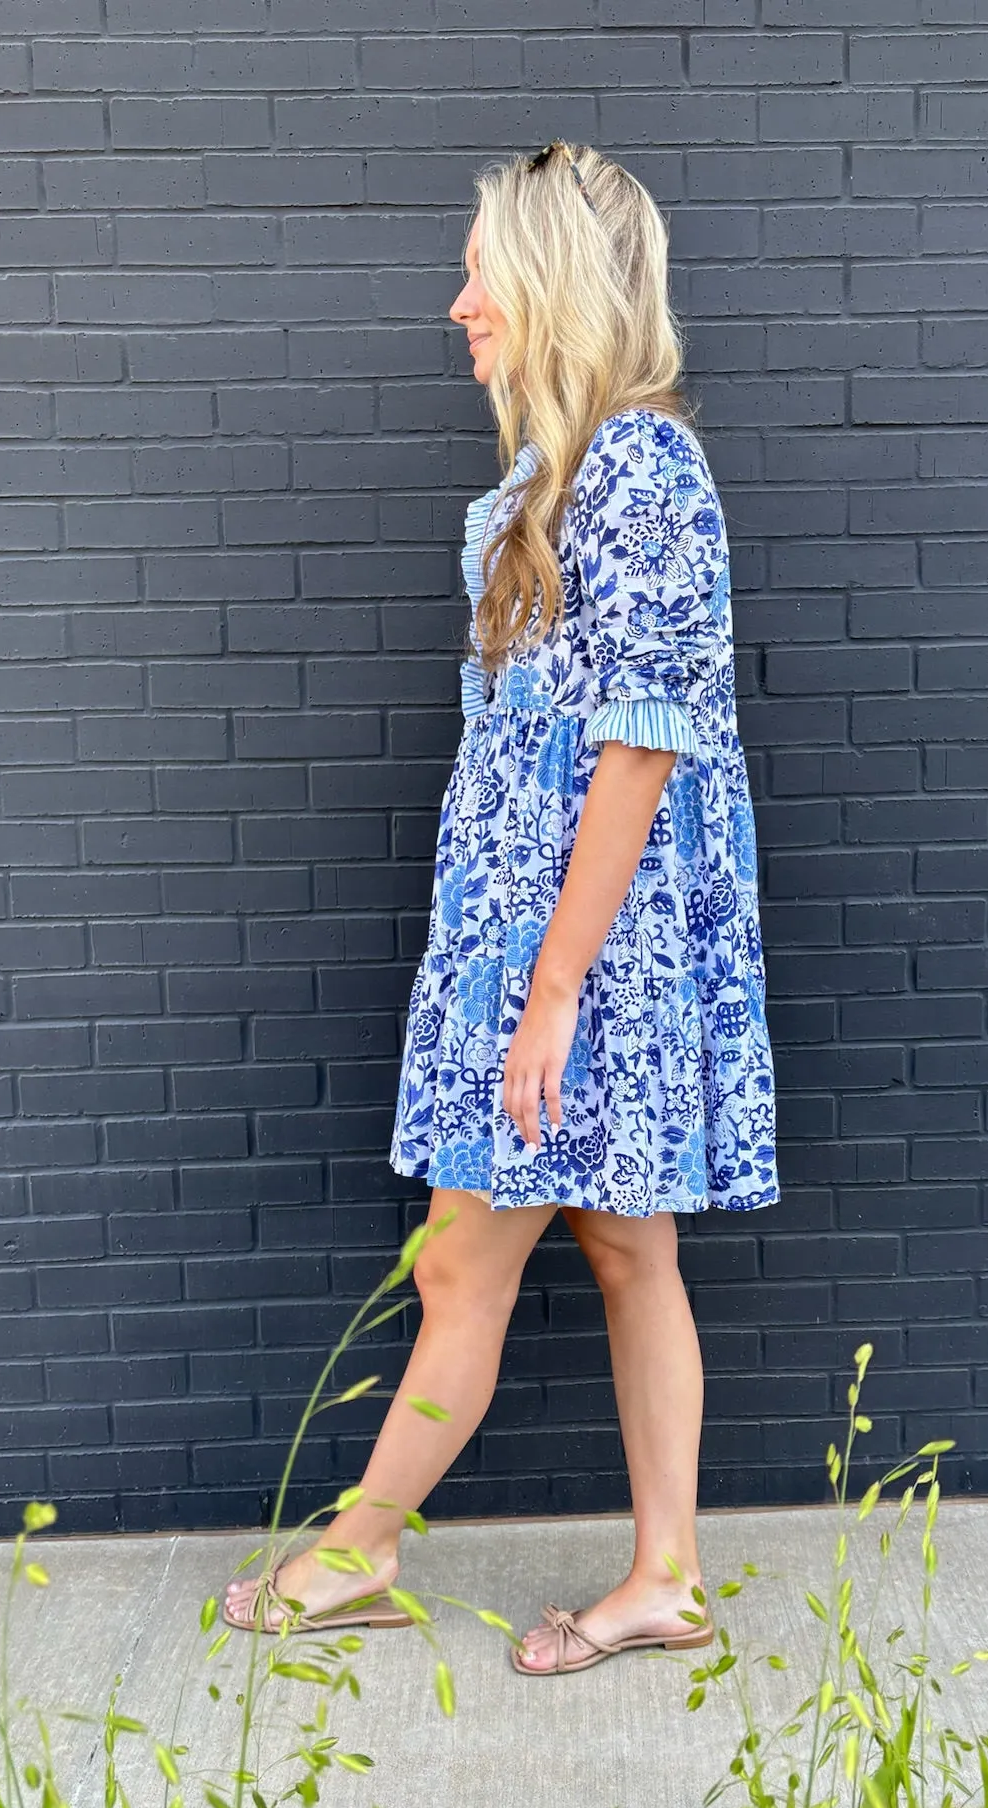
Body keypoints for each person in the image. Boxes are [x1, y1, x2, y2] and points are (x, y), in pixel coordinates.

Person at [224, 140, 780, 1676]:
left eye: (482, 268)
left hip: (582, 954)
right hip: (537, 943)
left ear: (549, 282)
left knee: (476, 1260)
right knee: (623, 1253)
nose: (459, 300)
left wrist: (547, 990)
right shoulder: (551, 479)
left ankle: (359, 1551)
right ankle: (659, 1574)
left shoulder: (645, 468)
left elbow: (646, 740)